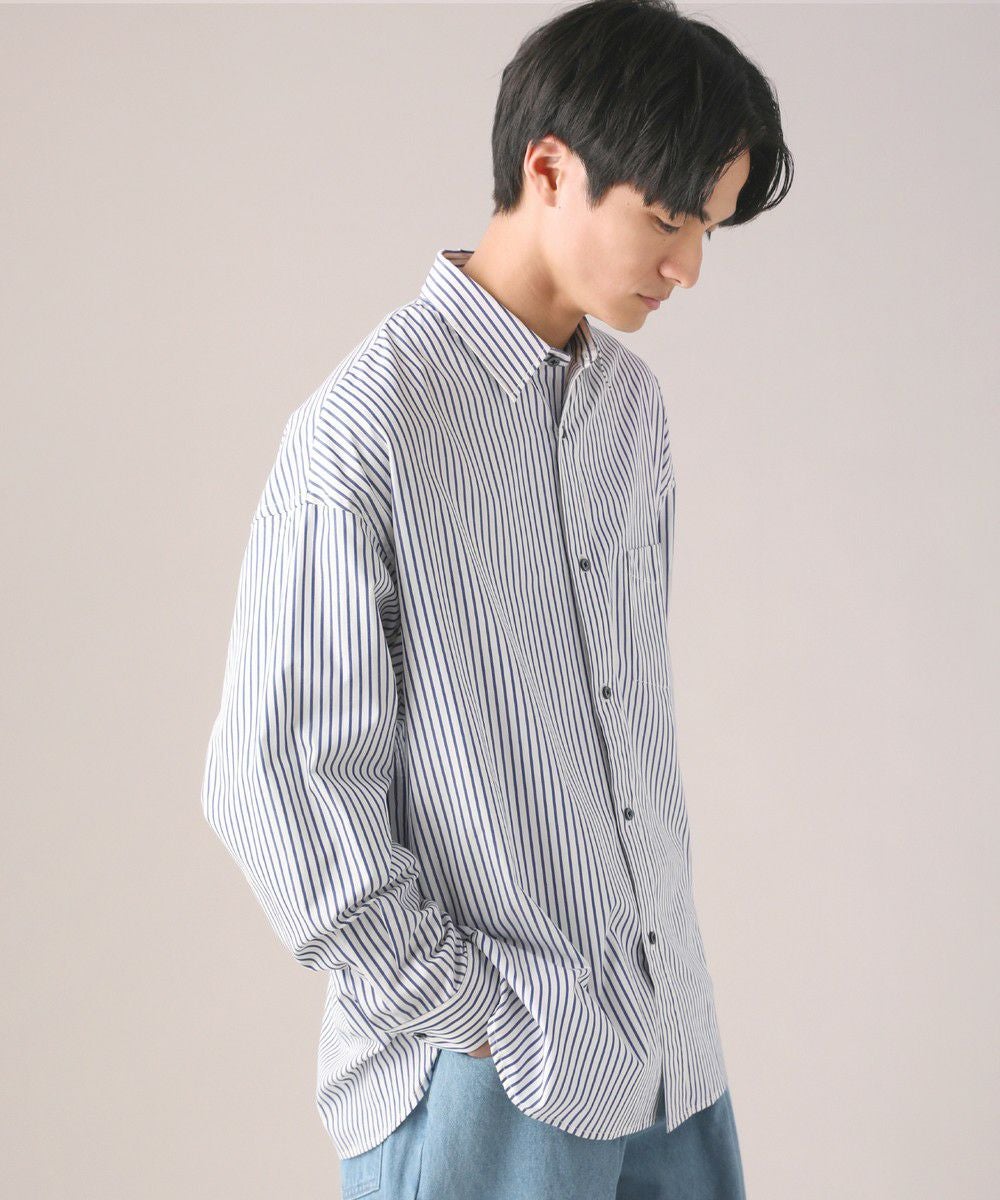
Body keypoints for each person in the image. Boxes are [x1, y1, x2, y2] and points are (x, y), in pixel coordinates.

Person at [200, 1, 792, 1196]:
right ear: (548, 169)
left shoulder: (631, 413)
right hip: (491, 1081)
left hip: (668, 1060)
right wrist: (470, 1018)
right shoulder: (366, 429)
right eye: (668, 219)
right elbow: (274, 777)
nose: (687, 266)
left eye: (707, 229)